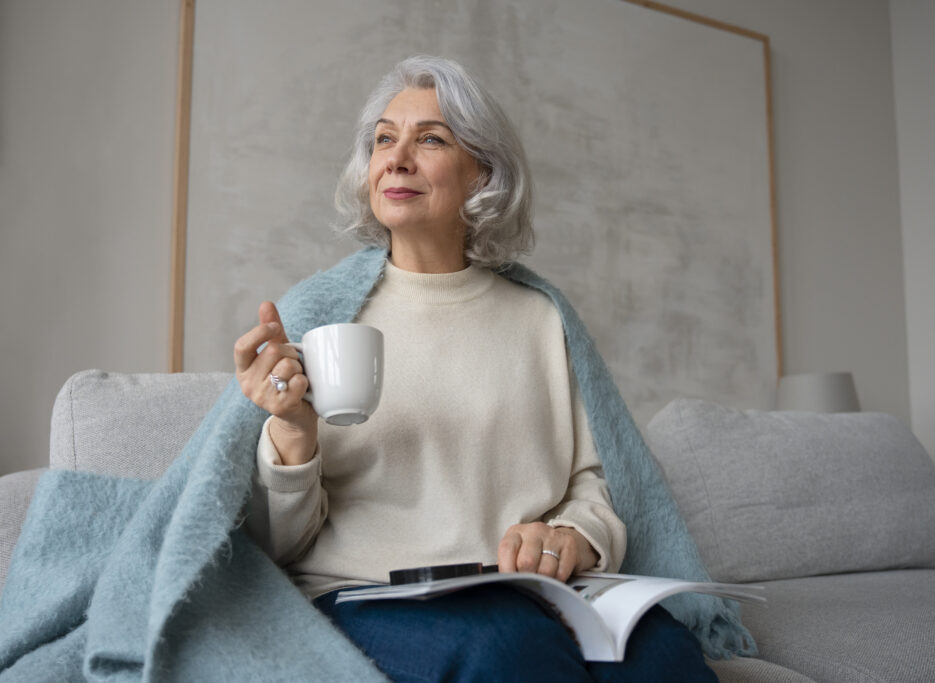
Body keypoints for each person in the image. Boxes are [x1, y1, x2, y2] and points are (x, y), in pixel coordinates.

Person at [234, 55, 717, 682]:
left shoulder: (542, 318)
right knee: (509, 650)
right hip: (363, 595)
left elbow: (593, 480)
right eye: (384, 139)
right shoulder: (317, 319)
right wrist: (292, 432)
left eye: (430, 139)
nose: (396, 159)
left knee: (665, 654)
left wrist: (574, 535)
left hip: (522, 592)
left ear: (482, 173)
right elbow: (275, 547)